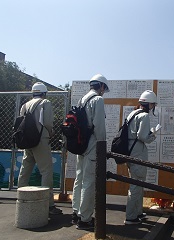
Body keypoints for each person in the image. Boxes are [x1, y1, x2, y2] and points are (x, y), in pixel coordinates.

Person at [18, 82, 62, 215]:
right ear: (44, 93)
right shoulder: (45, 102)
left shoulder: (24, 105)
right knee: (46, 171)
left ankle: (21, 198)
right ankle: (48, 204)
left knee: (25, 169)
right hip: (41, 140)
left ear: (33, 92)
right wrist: (51, 132)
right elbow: (47, 122)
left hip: (27, 141)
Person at [71, 74, 109, 230]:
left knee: (79, 178)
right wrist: (103, 147)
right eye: (104, 89)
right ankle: (85, 219)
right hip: (93, 144)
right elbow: (99, 126)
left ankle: (76, 213)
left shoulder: (83, 99)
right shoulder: (97, 100)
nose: (103, 92)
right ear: (100, 86)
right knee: (89, 181)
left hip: (81, 143)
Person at [124, 90, 157, 225]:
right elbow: (143, 137)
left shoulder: (133, 113)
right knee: (136, 185)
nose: (153, 107)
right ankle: (131, 216)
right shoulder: (144, 116)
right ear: (149, 104)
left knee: (137, 183)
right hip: (137, 153)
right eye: (153, 104)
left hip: (130, 151)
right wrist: (153, 134)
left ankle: (137, 213)